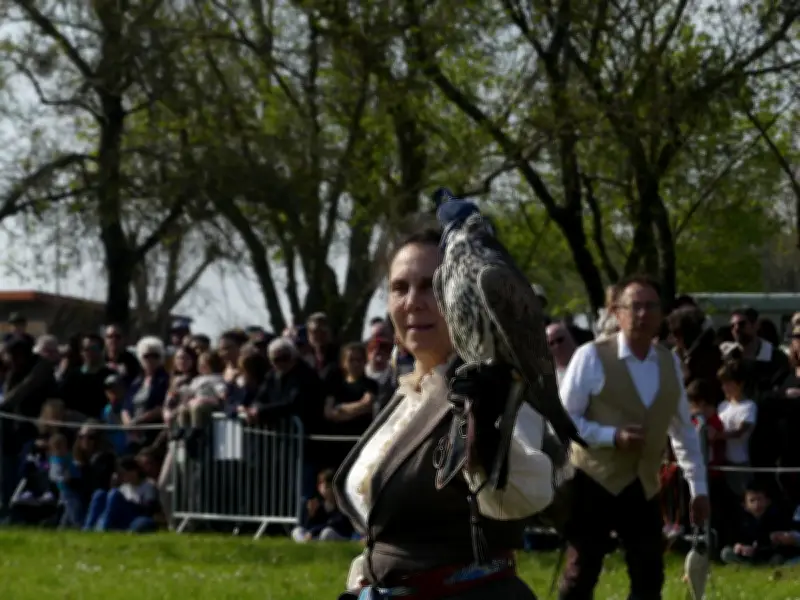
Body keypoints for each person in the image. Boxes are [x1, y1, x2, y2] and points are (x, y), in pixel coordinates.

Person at [334, 227, 563, 600]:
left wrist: (486, 437)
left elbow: (521, 497)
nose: (413, 302)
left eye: (431, 286)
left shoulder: (495, 382)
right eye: (399, 288)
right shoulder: (410, 392)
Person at [558, 274, 709, 600]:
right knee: (581, 573)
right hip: (593, 481)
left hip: (643, 485)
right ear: (617, 312)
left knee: (649, 576)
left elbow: (683, 430)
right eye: (634, 306)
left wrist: (698, 489)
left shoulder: (669, 363)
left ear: (662, 314)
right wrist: (611, 436)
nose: (643, 314)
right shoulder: (590, 356)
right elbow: (564, 420)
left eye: (651, 306)